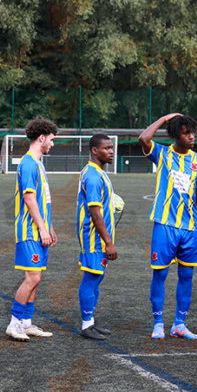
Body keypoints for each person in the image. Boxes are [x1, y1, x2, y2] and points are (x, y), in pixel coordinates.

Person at [139, 113, 197, 340]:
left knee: (187, 276)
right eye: (186, 133)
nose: (192, 137)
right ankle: (158, 322)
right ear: (175, 135)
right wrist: (163, 119)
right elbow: (144, 138)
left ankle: (180, 323)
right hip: (165, 225)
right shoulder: (162, 153)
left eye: (193, 133)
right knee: (160, 275)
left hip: (191, 229)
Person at [6, 118, 58, 342]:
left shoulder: (38, 163)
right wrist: (42, 229)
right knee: (32, 277)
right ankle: (14, 323)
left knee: (36, 278)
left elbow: (42, 199)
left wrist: (50, 228)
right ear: (41, 138)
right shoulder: (28, 163)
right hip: (29, 231)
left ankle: (26, 323)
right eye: (52, 140)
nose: (52, 144)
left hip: (39, 230)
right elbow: (29, 199)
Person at [77, 134, 120, 341]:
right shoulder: (93, 176)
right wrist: (109, 242)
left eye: (111, 148)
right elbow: (94, 212)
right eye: (107, 148)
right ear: (95, 150)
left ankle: (91, 321)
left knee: (97, 277)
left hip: (98, 238)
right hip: (94, 238)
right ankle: (86, 325)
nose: (111, 151)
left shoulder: (98, 173)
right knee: (91, 277)